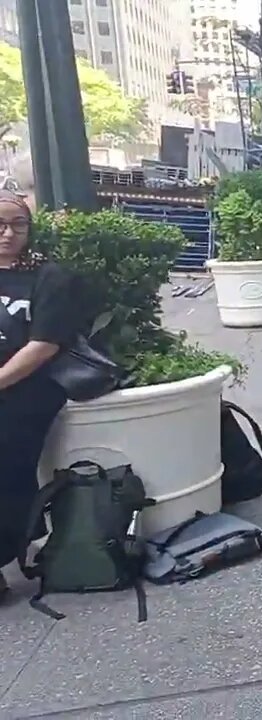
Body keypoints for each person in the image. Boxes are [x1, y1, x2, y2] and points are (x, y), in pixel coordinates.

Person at [0, 190, 78, 602]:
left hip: (26, 389)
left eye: (17, 224)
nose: (8, 233)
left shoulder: (48, 277)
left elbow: (43, 345)